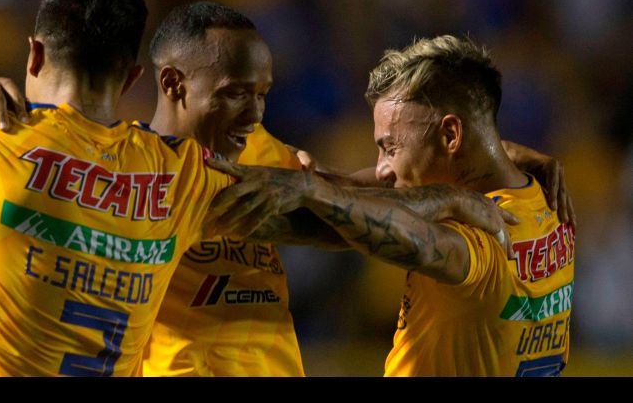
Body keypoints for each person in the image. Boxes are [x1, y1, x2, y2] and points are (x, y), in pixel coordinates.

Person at [0, 2, 529, 377]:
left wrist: (496, 161)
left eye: (263, 94)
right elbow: (340, 217)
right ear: (172, 84)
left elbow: (357, 192)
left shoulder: (259, 156)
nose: (255, 113)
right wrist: (454, 201)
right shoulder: (162, 178)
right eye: (235, 94)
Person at [0, 0, 236, 376]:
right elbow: (290, 211)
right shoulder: (183, 172)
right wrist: (300, 180)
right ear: (131, 78)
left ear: (35, 55)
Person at [206, 35, 575, 376]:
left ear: (450, 135)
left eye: (391, 148)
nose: (382, 168)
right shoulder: (546, 198)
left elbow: (384, 232)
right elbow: (359, 190)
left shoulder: (485, 230)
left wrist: (309, 191)